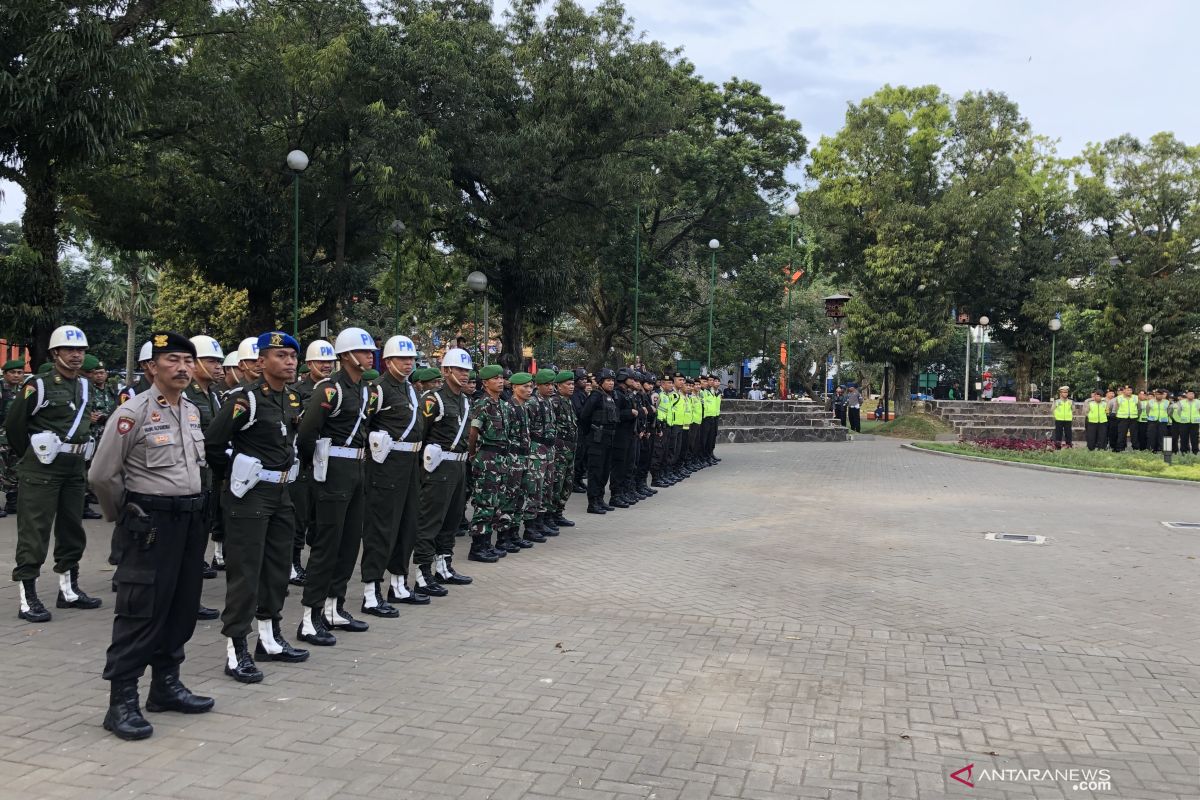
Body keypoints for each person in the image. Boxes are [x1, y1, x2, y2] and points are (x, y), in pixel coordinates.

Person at [89, 331, 213, 740]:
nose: (183, 367)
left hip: (189, 522)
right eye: (172, 359)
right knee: (140, 610)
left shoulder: (191, 411)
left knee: (181, 606)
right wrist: (124, 515)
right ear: (150, 367)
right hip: (150, 525)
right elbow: (102, 475)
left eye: (187, 360)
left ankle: (166, 685)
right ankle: (121, 702)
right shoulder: (133, 412)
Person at [205, 331, 310, 679]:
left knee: (277, 569)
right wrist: (233, 475)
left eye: (293, 356)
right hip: (249, 495)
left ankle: (269, 637)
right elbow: (214, 444)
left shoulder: (290, 399)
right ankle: (236, 648)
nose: (290, 361)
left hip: (281, 494)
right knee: (245, 573)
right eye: (281, 356)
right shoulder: (244, 400)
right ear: (261, 362)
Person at [6, 324, 103, 623]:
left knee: (72, 528)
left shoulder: (85, 386)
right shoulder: (39, 384)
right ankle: (27, 597)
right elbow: (15, 425)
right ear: (55, 353)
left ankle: (68, 589)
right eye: (69, 350)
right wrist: (32, 455)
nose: (76, 355)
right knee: (35, 531)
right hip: (42, 467)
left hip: (74, 467)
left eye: (80, 350)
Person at [297, 328, 377, 640]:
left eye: (370, 351)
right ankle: (309, 616)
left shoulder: (365, 389)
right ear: (345, 356)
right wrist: (316, 468)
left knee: (349, 542)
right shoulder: (329, 389)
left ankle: (334, 606)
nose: (370, 355)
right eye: (363, 351)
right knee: (327, 545)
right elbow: (306, 433)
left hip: (357, 467)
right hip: (332, 469)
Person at [360, 335, 430, 612]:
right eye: (403, 358)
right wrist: (373, 440)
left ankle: (399, 583)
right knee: (382, 528)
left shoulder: (410, 389)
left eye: (411, 358)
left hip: (410, 462)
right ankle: (370, 590)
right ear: (388, 361)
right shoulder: (378, 389)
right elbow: (360, 423)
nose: (408, 363)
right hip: (386, 464)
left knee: (407, 524)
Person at [412, 348, 474, 596]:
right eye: (459, 369)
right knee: (431, 520)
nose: (464, 375)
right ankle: (422, 572)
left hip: (458, 465)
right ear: (446, 371)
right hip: (437, 467)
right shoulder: (432, 399)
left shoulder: (465, 400)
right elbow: (420, 434)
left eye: (467, 370)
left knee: (452, 518)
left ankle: (443, 565)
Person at [183, 335, 226, 620]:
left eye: (219, 361)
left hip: (208, 478)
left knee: (197, 541)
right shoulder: (185, 394)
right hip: (188, 478)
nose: (217, 366)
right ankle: (181, 601)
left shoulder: (212, 395)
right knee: (185, 545)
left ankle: (189, 600)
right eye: (211, 360)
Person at [287, 339, 336, 586]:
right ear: (309, 364)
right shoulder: (296, 391)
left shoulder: (335, 389)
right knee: (300, 516)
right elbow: (296, 422)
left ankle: (316, 562)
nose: (326, 366)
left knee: (320, 518)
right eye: (321, 362)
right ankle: (293, 563)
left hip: (327, 461)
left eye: (330, 362)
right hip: (303, 461)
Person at [466, 364, 511, 562]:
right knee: (484, 503)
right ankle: (477, 547)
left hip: (499, 459)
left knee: (495, 504)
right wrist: (474, 456)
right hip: (487, 458)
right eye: (495, 378)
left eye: (501, 378)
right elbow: (473, 433)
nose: (500, 381)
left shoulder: (501, 403)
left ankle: (487, 544)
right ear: (485, 383)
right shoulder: (482, 404)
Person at [579, 369, 618, 514]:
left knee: (605, 471)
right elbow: (584, 416)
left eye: (612, 380)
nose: (611, 383)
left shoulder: (609, 396)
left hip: (608, 439)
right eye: (608, 380)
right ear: (601, 382)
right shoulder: (596, 396)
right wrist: (592, 432)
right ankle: (593, 502)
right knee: (595, 471)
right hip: (597, 440)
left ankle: (600, 499)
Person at [549, 370, 579, 527]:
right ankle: (550, 515)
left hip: (569, 450)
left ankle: (558, 512)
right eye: (568, 384)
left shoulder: (568, 402)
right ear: (558, 386)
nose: (572, 387)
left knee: (567, 483)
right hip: (559, 451)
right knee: (556, 483)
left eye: (573, 384)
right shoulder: (555, 402)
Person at [0, 358, 27, 516]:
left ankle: (12, 501)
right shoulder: (1, 389)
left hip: (15, 438)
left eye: (20, 372)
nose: (17, 375)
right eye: (13, 372)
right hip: (1, 436)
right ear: (5, 374)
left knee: (15, 470)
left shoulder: (24, 390)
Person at [1174, 390, 1200, 456]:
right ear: (1186, 395)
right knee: (1184, 438)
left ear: (1194, 395)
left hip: (1194, 423)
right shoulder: (1181, 402)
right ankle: (1184, 452)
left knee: (1194, 438)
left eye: (1192, 394)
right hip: (1184, 423)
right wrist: (1181, 418)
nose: (1191, 395)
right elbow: (1178, 412)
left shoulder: (1198, 402)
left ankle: (1195, 452)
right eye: (1189, 394)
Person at [1113, 385, 1138, 452]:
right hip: (1122, 418)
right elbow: (1116, 408)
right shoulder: (1119, 398)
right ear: (1123, 391)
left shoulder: (1135, 397)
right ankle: (1120, 449)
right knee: (1122, 434)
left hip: (1133, 418)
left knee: (1134, 434)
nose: (1129, 391)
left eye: (1130, 390)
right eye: (1127, 390)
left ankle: (1135, 449)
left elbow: (1139, 407)